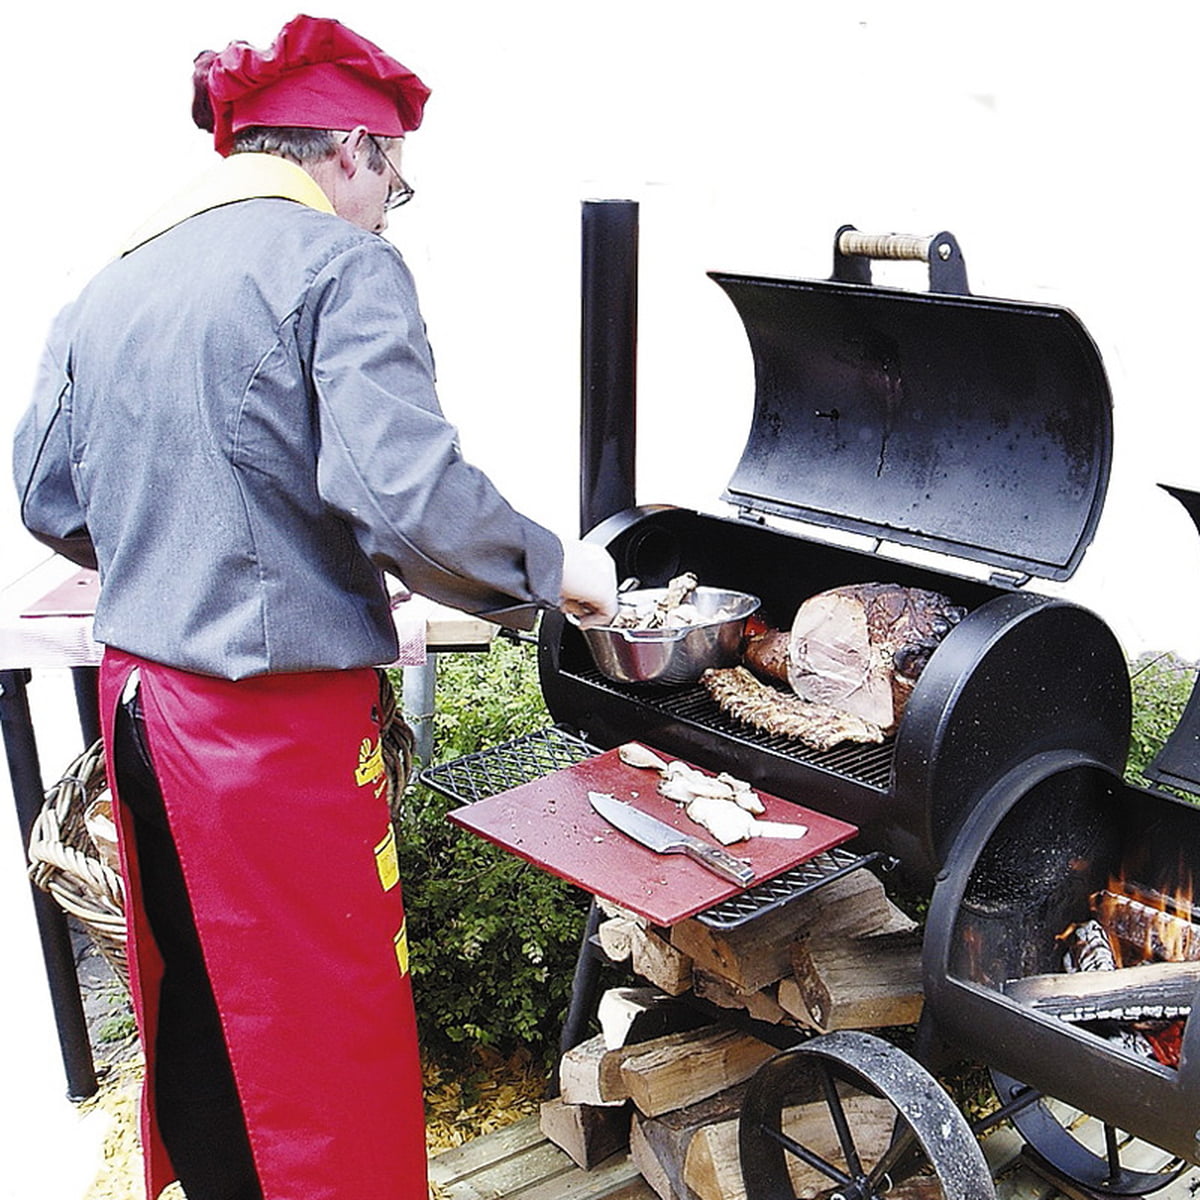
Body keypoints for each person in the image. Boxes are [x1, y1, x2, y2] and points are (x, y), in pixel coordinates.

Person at [12, 14, 618, 1200]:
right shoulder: (340, 265)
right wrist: (557, 571)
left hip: (143, 712)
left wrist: (187, 548)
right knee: (321, 1034)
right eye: (394, 177)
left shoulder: (114, 278)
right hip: (267, 737)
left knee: (204, 1013)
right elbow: (410, 501)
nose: (390, 208)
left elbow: (48, 492)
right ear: (350, 148)